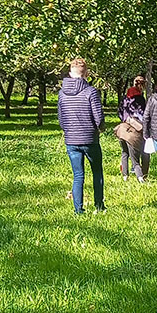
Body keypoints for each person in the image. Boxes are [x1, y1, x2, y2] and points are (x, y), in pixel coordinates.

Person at [57, 58, 105, 214]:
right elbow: (98, 118)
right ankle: (99, 206)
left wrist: (69, 131)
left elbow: (61, 119)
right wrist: (101, 129)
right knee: (97, 172)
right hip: (90, 139)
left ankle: (78, 210)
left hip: (71, 140)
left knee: (78, 175)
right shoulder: (91, 92)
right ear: (87, 74)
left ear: (70, 73)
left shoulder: (62, 94)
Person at [115, 76, 149, 182]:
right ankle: (141, 177)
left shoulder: (125, 98)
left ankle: (125, 176)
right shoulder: (140, 99)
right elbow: (142, 114)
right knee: (141, 154)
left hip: (123, 129)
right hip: (136, 130)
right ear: (141, 85)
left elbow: (120, 112)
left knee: (125, 153)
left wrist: (126, 119)